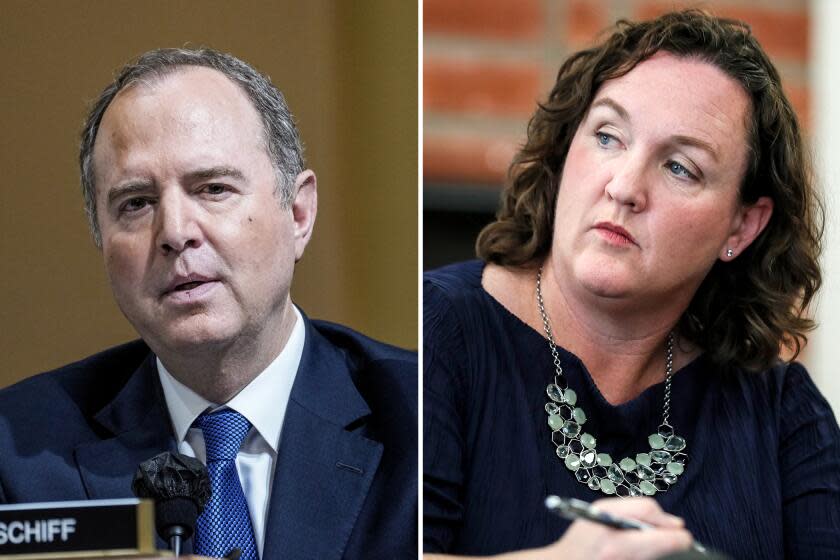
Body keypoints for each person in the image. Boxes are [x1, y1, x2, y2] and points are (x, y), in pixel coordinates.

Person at [424, 10, 840, 560]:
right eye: (607, 136)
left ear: (742, 225)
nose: (624, 186)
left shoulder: (782, 410)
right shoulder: (440, 332)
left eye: (679, 168)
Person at [0, 48, 417, 560]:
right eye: (136, 203)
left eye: (213, 188)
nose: (174, 232)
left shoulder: (423, 418)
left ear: (299, 213)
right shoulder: (17, 454)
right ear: (100, 240)